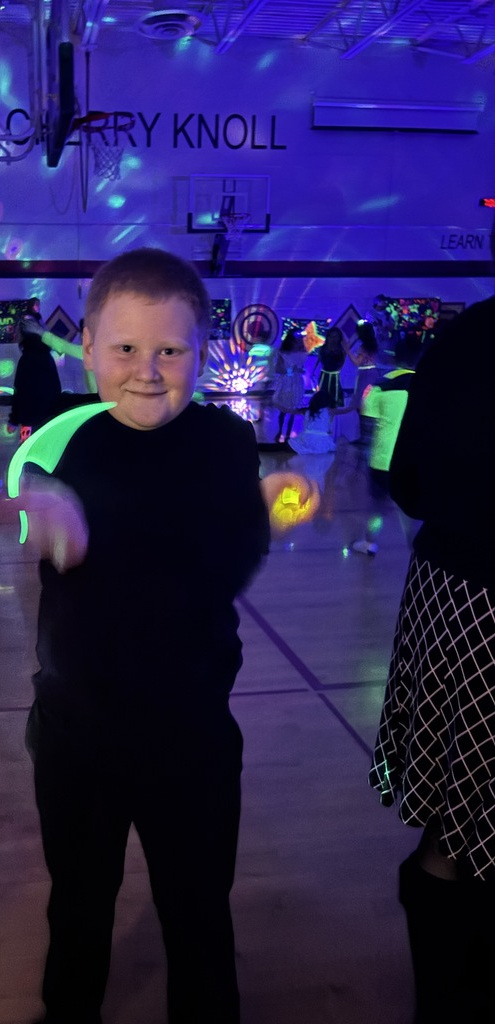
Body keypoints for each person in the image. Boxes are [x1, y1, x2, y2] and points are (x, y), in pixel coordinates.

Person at [16, 247, 319, 1024]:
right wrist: (44, 523)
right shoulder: (57, 440)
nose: (147, 370)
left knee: (199, 914)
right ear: (86, 346)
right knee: (78, 907)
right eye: (124, 349)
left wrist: (266, 514)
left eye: (170, 351)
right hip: (79, 735)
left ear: (201, 350)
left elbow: (222, 563)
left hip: (193, 735)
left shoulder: (224, 441)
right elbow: (26, 513)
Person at [368, 286, 495, 1021]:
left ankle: (441, 1000)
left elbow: (409, 482)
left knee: (456, 811)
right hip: (477, 593)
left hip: (454, 593)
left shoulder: (460, 339)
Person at [349, 337, 420, 556]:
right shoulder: (429, 386)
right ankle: (416, 549)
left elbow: (367, 427)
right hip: (414, 459)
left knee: (377, 505)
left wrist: (360, 459)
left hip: (382, 458)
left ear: (394, 357)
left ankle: (369, 543)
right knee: (411, 510)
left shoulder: (378, 387)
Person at [7, 314, 63, 442]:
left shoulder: (26, 359)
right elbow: (55, 388)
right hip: (49, 417)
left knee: (29, 456)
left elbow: (21, 392)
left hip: (30, 420)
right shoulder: (47, 357)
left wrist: (13, 420)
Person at [331, 319, 382, 444]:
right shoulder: (374, 344)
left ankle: (363, 436)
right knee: (369, 403)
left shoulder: (363, 347)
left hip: (365, 375)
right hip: (373, 373)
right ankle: (368, 436)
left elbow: (356, 362)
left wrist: (347, 350)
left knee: (361, 404)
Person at [271, 328, 308, 442]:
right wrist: (289, 370)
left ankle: (288, 433)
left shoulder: (302, 353)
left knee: (293, 408)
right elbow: (278, 368)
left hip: (296, 382)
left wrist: (300, 370)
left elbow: (302, 367)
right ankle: (281, 430)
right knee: (283, 408)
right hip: (286, 381)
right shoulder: (283, 352)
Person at [313, 325, 346, 407]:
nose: (333, 339)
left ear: (339, 337)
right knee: (322, 398)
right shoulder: (323, 348)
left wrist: (338, 371)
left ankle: (332, 416)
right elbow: (319, 359)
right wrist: (313, 371)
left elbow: (342, 362)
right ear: (328, 337)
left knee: (334, 399)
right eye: (332, 336)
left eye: (336, 336)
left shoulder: (341, 349)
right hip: (324, 375)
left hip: (334, 376)